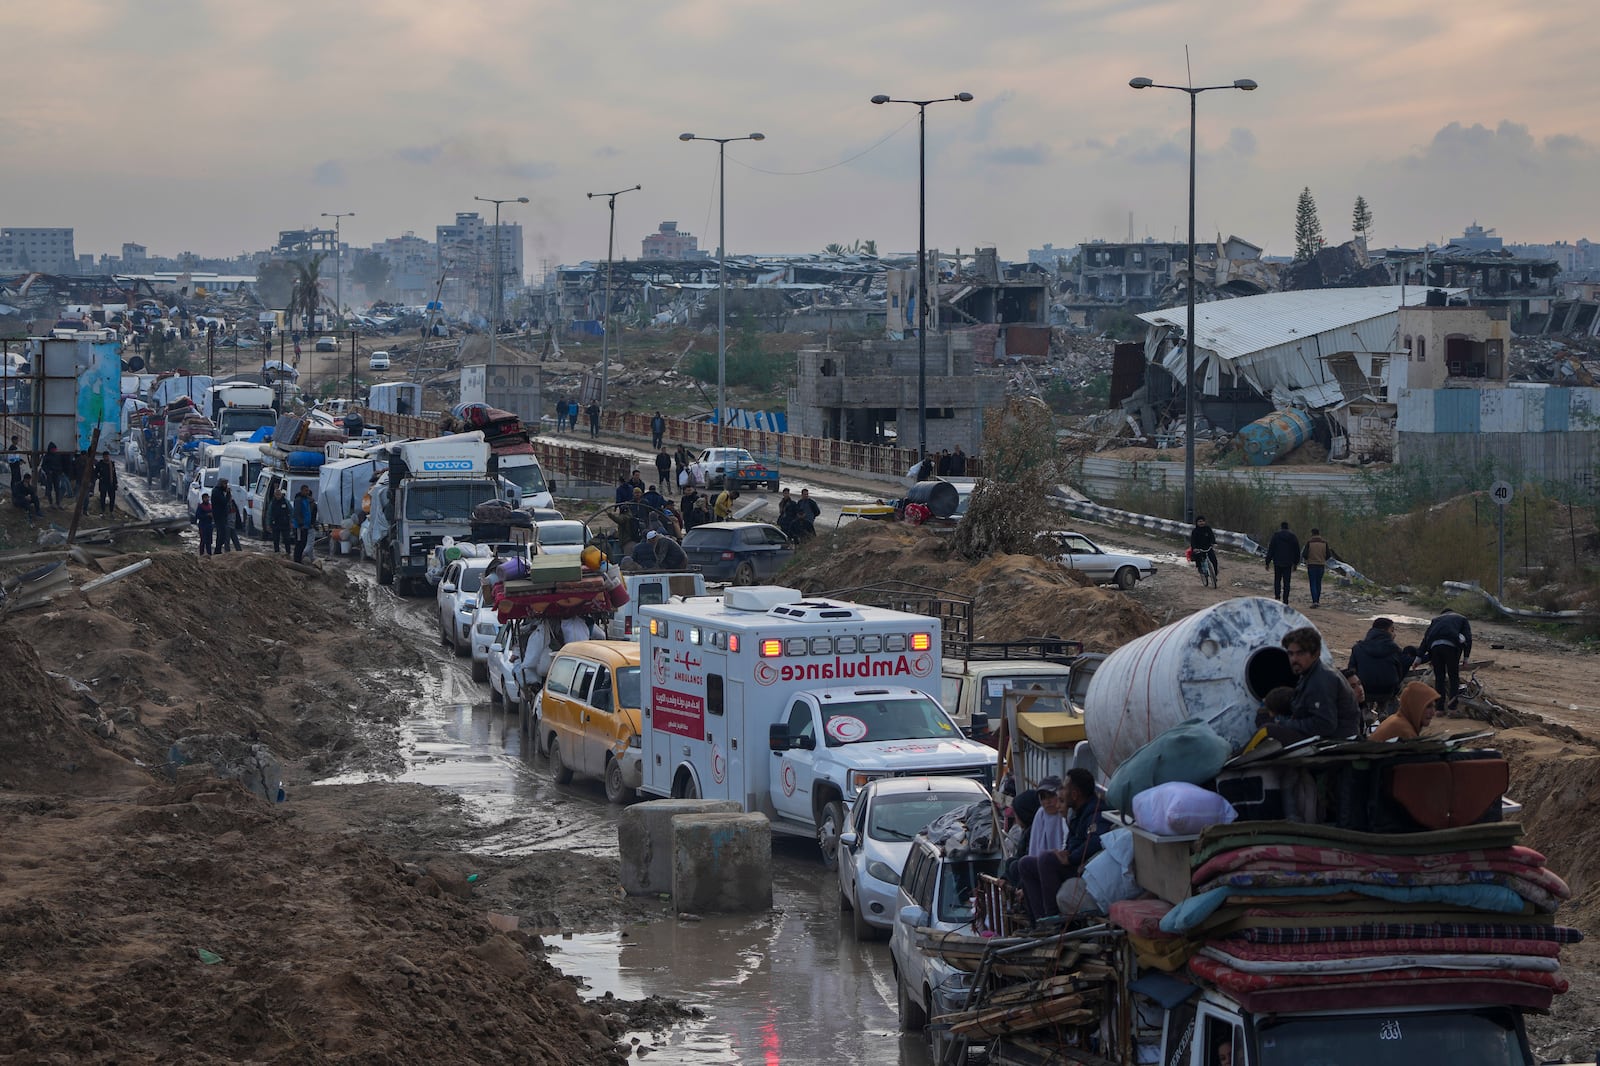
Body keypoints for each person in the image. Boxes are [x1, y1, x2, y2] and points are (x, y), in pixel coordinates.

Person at [1018, 770, 1109, 922]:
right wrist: (1064, 853)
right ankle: (1039, 922)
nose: (1061, 792)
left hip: (1086, 868)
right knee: (1025, 863)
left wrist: (1071, 857)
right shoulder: (1077, 813)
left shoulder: (1095, 812)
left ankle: (1052, 920)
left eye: (1065, 788)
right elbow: (1072, 841)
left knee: (1047, 859)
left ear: (1074, 794)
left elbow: (1094, 842)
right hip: (1075, 862)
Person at [1270, 626, 1360, 741]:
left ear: (1315, 654)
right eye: (1291, 654)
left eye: (1300, 653)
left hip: (1335, 742)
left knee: (1268, 729)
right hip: (1328, 739)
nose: (1294, 659)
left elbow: (1325, 725)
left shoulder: (1322, 679)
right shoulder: (1309, 674)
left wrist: (1285, 724)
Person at [1348, 617, 1408, 715]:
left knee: (1363, 685)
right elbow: (1400, 671)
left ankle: (1366, 710)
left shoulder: (1358, 648)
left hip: (1366, 689)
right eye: (1392, 630)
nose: (1394, 634)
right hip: (1388, 690)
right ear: (1385, 631)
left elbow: (1351, 670)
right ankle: (1383, 710)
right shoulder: (1395, 649)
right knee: (1395, 686)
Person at [1418, 608, 1472, 706]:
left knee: (1439, 677)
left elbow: (1425, 639)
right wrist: (1466, 658)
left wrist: (1418, 658)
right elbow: (1468, 638)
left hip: (1434, 648)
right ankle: (1452, 706)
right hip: (1451, 648)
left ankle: (1439, 708)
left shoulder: (1436, 620)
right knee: (1453, 677)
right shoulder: (1462, 619)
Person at [1370, 681, 1441, 742]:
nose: (1433, 713)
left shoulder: (1398, 720)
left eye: (1434, 707)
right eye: (1428, 707)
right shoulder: (1403, 731)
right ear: (1415, 706)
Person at [1264, 521, 1300, 605]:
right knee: (1287, 582)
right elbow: (1297, 551)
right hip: (1288, 563)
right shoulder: (1293, 537)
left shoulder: (1276, 536)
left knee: (1277, 580)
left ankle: (1277, 596)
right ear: (1288, 527)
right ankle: (1285, 599)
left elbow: (1271, 549)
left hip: (1277, 561)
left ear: (1281, 527)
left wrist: (1267, 562)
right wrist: (1295, 563)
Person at [1301, 528, 1337, 607]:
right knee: (1318, 583)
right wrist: (1322, 559)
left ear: (1312, 534)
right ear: (1319, 533)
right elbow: (1328, 555)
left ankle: (1314, 601)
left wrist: (1309, 559)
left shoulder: (1309, 542)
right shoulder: (1324, 543)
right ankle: (1318, 600)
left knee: (1313, 583)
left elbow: (1304, 554)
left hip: (1311, 565)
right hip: (1321, 565)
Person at [1189, 515, 1218, 588]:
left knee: (1214, 560)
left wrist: (1213, 543)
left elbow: (1212, 536)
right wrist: (1194, 548)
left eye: (1203, 521)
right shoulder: (1195, 531)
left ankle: (1215, 574)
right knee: (1198, 558)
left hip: (1208, 547)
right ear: (1197, 523)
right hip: (1199, 549)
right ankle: (1200, 569)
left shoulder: (1208, 529)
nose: (1201, 523)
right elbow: (1193, 541)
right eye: (1199, 521)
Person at [291, 484, 317, 563]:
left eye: (308, 491)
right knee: (299, 543)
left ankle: (299, 559)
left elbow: (308, 512)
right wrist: (300, 523)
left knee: (303, 543)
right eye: (306, 490)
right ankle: (297, 560)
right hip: (300, 526)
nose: (307, 492)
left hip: (306, 526)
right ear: (301, 490)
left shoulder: (306, 500)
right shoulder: (299, 500)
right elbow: (297, 513)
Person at [211, 478, 235, 553]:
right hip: (219, 515)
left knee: (222, 533)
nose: (226, 486)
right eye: (224, 484)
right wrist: (227, 494)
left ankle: (218, 550)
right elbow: (224, 502)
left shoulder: (220, 491)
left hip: (222, 515)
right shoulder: (216, 492)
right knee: (221, 533)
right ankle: (217, 550)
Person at [267, 487, 292, 553]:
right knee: (276, 540)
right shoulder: (272, 503)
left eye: (279, 494)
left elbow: (291, 511)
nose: (278, 496)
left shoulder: (286, 502)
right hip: (275, 524)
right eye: (276, 495)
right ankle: (277, 553)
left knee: (287, 539)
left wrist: (291, 522)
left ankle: (288, 552)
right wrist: (268, 525)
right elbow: (269, 514)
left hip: (285, 524)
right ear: (274, 495)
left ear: (281, 494)